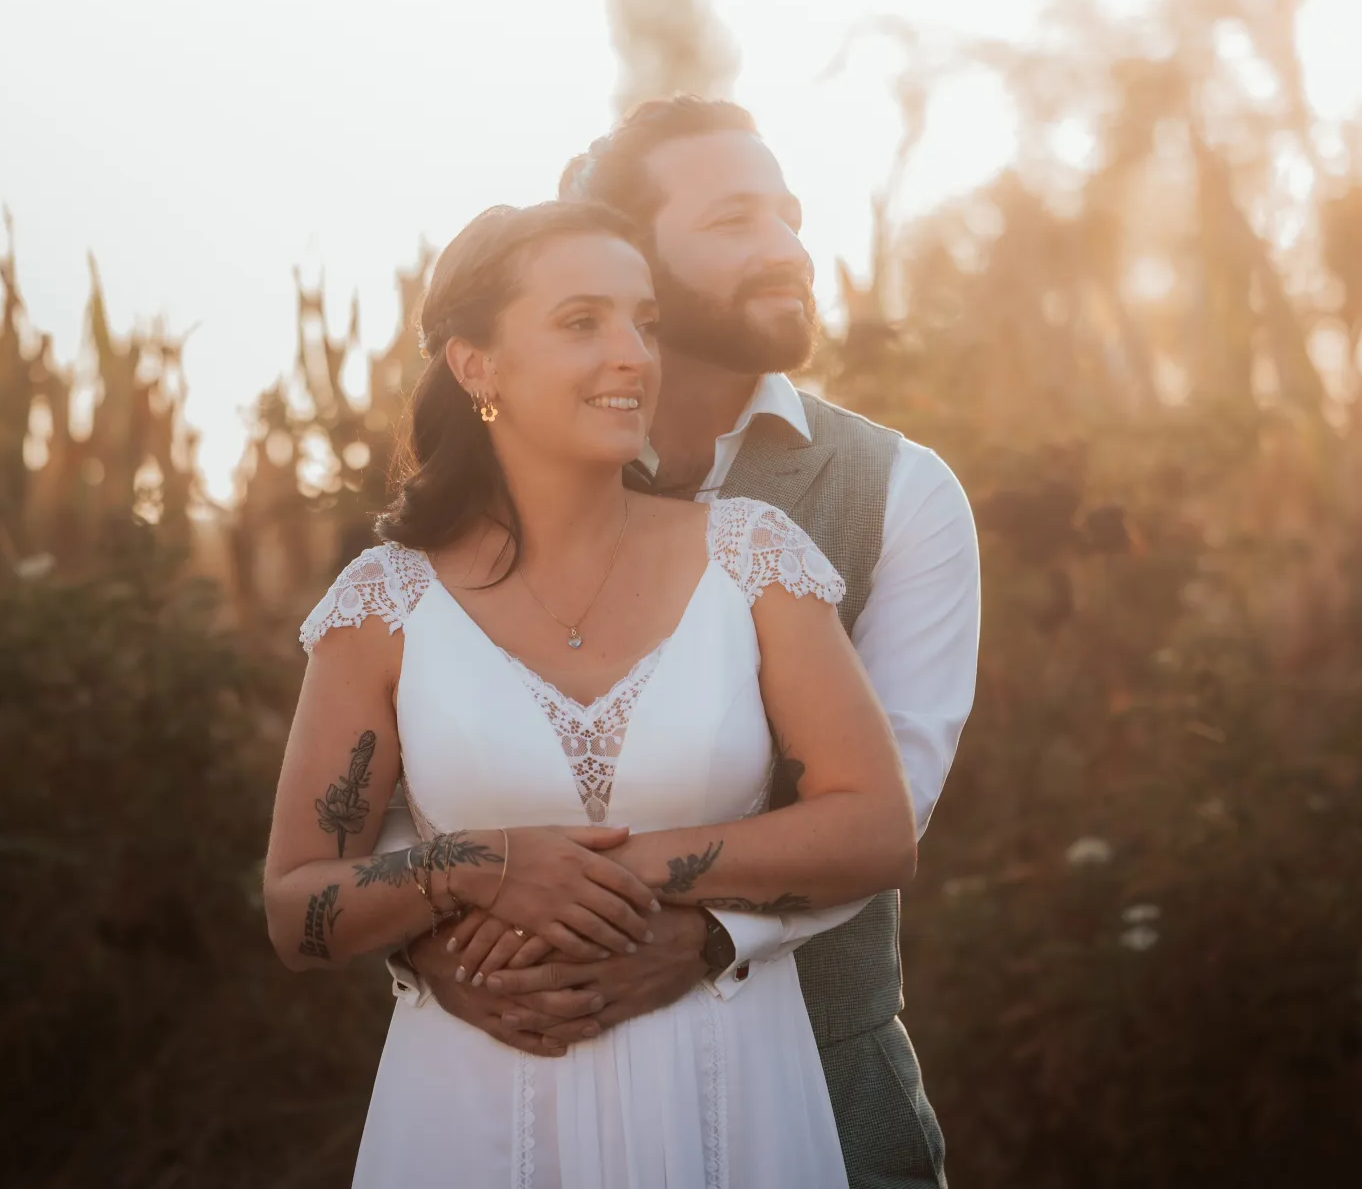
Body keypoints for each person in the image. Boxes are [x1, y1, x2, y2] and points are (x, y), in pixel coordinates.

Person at [264, 197, 919, 1187]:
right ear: (476, 365)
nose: (634, 355)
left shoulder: (751, 557)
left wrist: (613, 871)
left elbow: (877, 829)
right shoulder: (383, 603)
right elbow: (297, 902)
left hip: (727, 1098)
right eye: (584, 322)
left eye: (644, 322)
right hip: (473, 1113)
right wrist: (481, 863)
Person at [392, 98, 982, 1189]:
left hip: (821, 1093)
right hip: (513, 1086)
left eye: (791, 216)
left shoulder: (899, 493)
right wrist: (433, 950)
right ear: (625, 255)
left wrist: (709, 935)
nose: (788, 250)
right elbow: (387, 792)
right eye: (734, 220)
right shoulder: (464, 518)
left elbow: (891, 799)